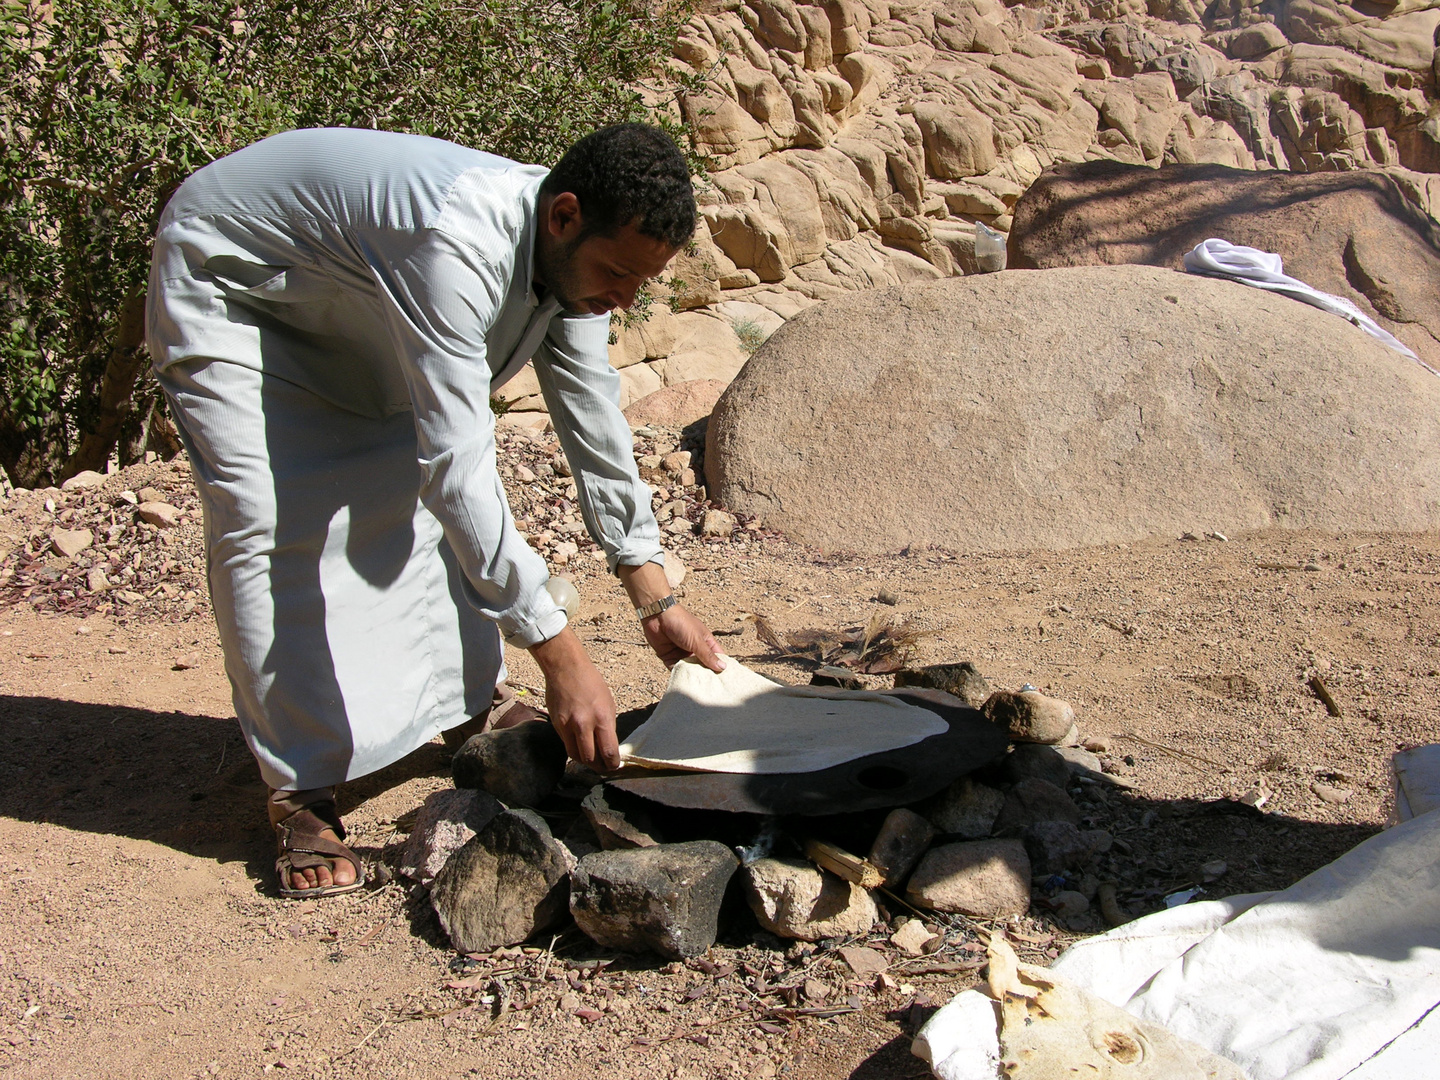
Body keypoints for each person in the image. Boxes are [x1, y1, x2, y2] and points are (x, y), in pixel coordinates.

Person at [145, 123, 726, 898]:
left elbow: (592, 415)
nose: (623, 298)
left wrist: (657, 598)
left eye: (638, 283)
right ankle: (299, 792)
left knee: (403, 481)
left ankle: (462, 704)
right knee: (268, 519)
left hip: (334, 296)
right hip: (235, 286)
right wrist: (560, 655)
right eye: (617, 273)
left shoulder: (578, 260)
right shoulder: (455, 246)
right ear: (563, 216)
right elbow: (458, 470)